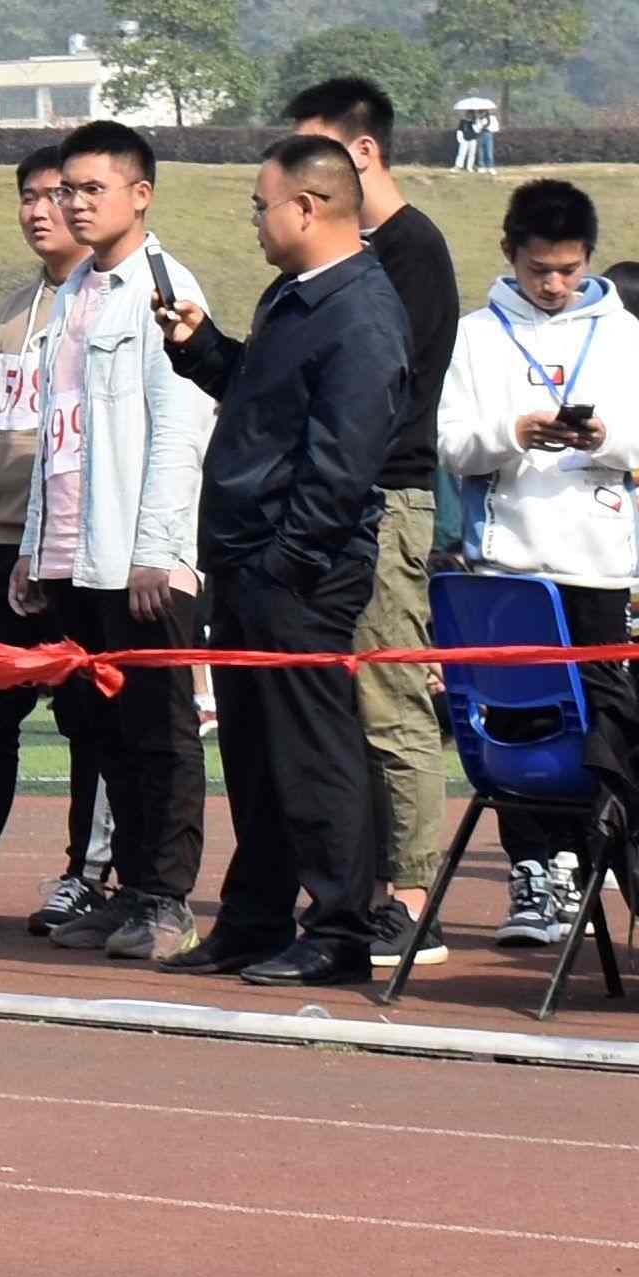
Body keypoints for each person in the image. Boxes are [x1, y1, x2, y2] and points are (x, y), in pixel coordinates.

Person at [0, 134, 219, 956]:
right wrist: (39, 549)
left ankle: (166, 898)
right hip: (72, 554)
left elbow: (181, 430)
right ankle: (121, 888)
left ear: (140, 195)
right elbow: (56, 437)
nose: (75, 204)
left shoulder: (163, 290)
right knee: (100, 729)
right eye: (67, 189)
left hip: (136, 559)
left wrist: (156, 551)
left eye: (92, 189)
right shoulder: (73, 294)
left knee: (159, 728)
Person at [171, 131, 407, 985]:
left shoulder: (361, 313)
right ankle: (254, 918)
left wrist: (287, 561)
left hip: (296, 570)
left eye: (260, 207)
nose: (254, 223)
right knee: (257, 756)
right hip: (247, 559)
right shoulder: (295, 297)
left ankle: (342, 927)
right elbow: (263, 404)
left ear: (308, 208)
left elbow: (342, 463)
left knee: (313, 752)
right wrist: (204, 350)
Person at [433, 178, 639, 952]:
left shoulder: (619, 332)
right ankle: (532, 870)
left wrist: (600, 436)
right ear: (510, 254)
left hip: (598, 558)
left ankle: (584, 856)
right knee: (517, 713)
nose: (556, 284)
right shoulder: (477, 334)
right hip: (508, 556)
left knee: (602, 718)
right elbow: (452, 441)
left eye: (570, 268)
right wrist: (516, 432)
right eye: (541, 268)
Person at [283, 73, 461, 949]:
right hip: (345, 499)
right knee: (343, 705)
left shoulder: (410, 248)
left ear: (361, 154)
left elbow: (385, 390)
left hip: (385, 497)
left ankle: (413, 901)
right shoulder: (345, 259)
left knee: (392, 699)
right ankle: (355, 889)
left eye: (311, 161)